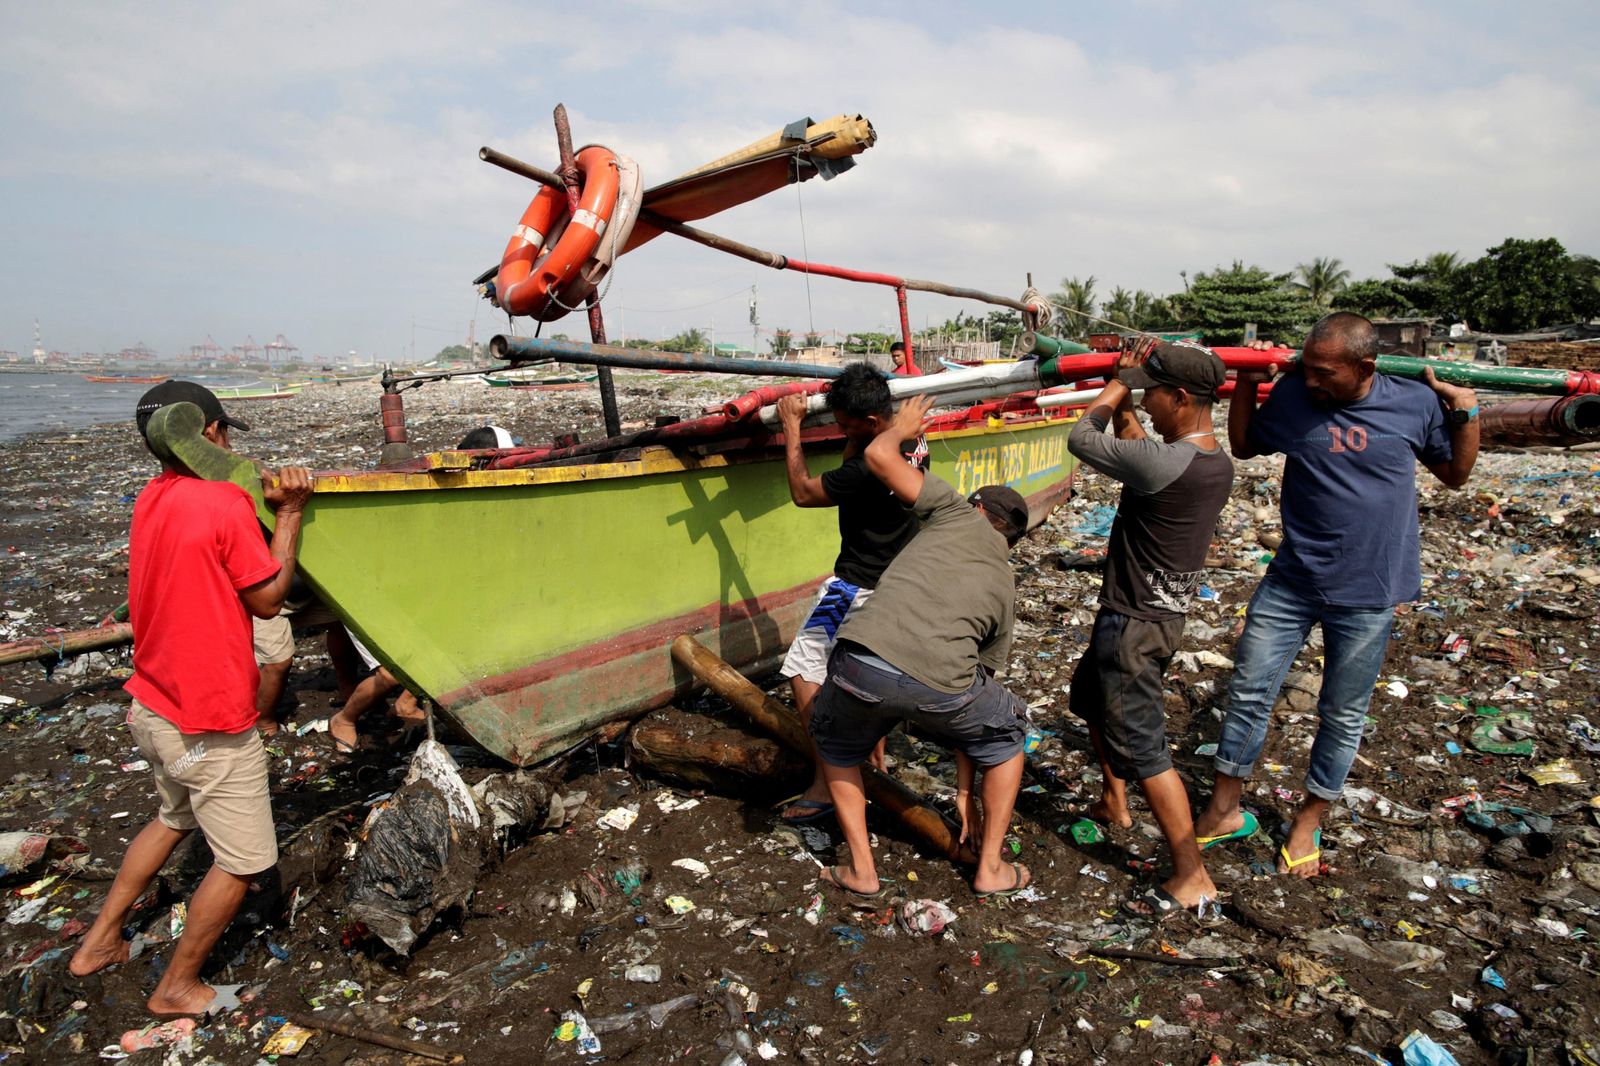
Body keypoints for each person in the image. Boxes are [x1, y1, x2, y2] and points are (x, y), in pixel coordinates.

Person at [1193, 312, 1479, 877]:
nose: (1313, 381)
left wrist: (1465, 408)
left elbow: (1457, 473)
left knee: (1342, 713)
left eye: (1325, 373)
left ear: (1365, 367)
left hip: (1370, 589)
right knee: (1250, 689)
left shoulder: (1412, 403)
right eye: (1308, 369)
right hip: (1293, 577)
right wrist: (1251, 379)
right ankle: (1223, 809)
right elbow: (1246, 445)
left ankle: (1309, 818)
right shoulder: (1297, 394)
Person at [70, 382, 313, 1017]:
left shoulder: (152, 498)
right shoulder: (223, 506)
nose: (229, 443)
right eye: (226, 433)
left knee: (174, 817)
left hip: (154, 709)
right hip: (209, 723)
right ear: (207, 434)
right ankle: (177, 987)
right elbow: (267, 599)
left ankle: (97, 942)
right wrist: (288, 515)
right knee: (244, 861)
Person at [808, 394, 1033, 898]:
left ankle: (862, 871)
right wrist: (963, 792)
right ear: (1014, 540)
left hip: (855, 662)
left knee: (836, 746)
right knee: (1008, 733)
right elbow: (979, 692)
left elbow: (879, 457)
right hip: (936, 685)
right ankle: (991, 867)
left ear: (977, 506)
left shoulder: (952, 511)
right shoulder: (1005, 583)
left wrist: (902, 427)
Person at [1065, 341, 1235, 918]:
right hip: (1159, 618)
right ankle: (1115, 802)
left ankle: (1191, 873)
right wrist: (1131, 396)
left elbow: (1080, 439)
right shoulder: (1209, 461)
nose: (1147, 404)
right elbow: (1137, 441)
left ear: (1181, 398)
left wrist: (1116, 382)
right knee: (1089, 699)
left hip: (1133, 627)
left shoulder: (1165, 464)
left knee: (1148, 749)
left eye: (1153, 394)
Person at [773, 366, 928, 825]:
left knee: (804, 670)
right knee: (863, 672)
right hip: (898, 582)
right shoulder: (913, 440)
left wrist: (792, 426)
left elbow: (804, 493)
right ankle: (873, 758)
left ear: (872, 424)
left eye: (845, 425)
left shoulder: (866, 468)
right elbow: (852, 455)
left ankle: (827, 782)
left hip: (854, 585)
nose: (841, 431)